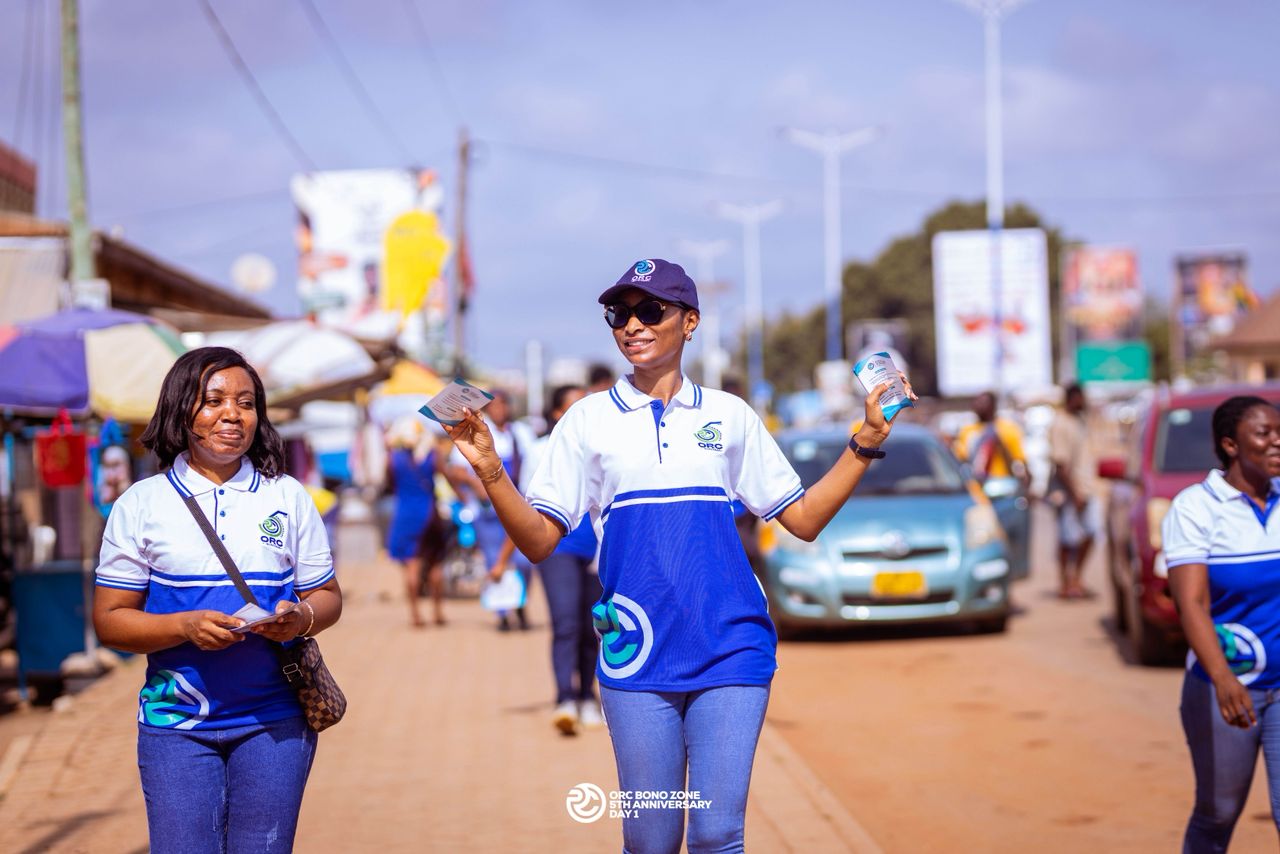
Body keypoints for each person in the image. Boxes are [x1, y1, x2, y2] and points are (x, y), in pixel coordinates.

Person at [444, 258, 913, 853]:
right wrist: (490, 470)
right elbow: (538, 542)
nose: (632, 325)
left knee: (717, 833)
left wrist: (867, 439)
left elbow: (804, 519)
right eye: (619, 314)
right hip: (636, 654)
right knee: (652, 838)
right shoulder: (586, 420)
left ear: (689, 322)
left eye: (650, 310)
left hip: (731, 647)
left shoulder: (730, 415)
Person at [92, 347, 342, 854]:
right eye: (214, 401)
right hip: (175, 726)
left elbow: (328, 596)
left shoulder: (287, 496)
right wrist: (184, 627)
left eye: (246, 403)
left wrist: (300, 618)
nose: (232, 414)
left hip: (275, 722)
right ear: (181, 409)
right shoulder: (141, 504)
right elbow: (110, 621)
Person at [1165, 396, 1280, 852]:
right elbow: (1191, 602)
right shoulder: (1196, 508)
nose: (1277, 442)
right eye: (1264, 433)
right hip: (1226, 689)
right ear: (1231, 445)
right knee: (1218, 813)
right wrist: (1223, 678)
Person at [490, 384, 603, 734]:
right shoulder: (541, 451)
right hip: (558, 549)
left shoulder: (605, 447)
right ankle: (564, 698)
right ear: (557, 413)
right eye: (573, 405)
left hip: (599, 549)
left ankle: (587, 696)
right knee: (565, 623)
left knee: (593, 627)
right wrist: (504, 557)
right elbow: (525, 508)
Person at [449, 389, 536, 631]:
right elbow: (455, 470)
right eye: (494, 406)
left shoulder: (521, 433)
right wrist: (474, 484)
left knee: (523, 560)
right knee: (493, 559)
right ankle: (502, 612)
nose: (499, 410)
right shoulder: (474, 431)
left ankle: (520, 603)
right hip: (487, 510)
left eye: (502, 404)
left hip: (518, 505)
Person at [955, 390, 1031, 579]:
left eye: (983, 402)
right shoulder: (967, 431)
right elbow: (960, 461)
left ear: (993, 406)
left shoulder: (1007, 429)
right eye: (976, 402)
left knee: (1007, 542)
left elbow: (1020, 463)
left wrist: (1026, 490)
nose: (977, 406)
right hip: (976, 496)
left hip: (1003, 496)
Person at [386, 418, 447, 627]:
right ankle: (437, 612)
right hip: (430, 513)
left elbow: (389, 483)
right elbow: (446, 475)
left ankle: (416, 615)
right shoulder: (432, 454)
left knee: (412, 567)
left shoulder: (394, 458)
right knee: (435, 564)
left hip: (405, 515)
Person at [1049, 382, 1100, 599]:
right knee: (1067, 539)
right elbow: (1060, 465)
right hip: (1068, 491)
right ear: (1072, 398)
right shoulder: (1060, 424)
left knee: (1091, 533)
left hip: (1087, 488)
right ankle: (1065, 582)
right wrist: (1074, 493)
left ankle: (1077, 578)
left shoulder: (1080, 421)